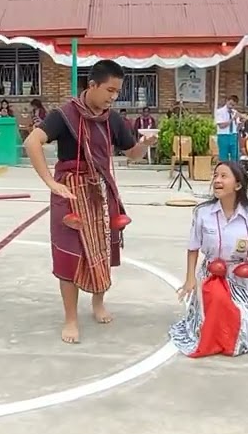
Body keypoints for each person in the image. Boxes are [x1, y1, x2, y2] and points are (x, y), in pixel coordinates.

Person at [23, 59, 153, 344]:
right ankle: (71, 318)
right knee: (70, 254)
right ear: (91, 85)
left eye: (117, 92)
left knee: (102, 250)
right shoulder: (64, 115)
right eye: (109, 90)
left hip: (101, 193)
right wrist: (50, 182)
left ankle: (97, 302)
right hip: (70, 193)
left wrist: (145, 145)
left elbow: (132, 154)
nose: (113, 97)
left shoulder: (113, 119)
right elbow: (32, 143)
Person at [170, 161, 248, 357]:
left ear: (238, 185)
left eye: (224, 176)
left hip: (239, 278)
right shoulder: (202, 213)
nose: (217, 180)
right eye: (215, 175)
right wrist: (190, 278)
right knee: (213, 315)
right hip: (210, 276)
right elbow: (193, 248)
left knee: (242, 327)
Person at [213, 95, 240, 163]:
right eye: (230, 104)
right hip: (223, 136)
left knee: (235, 156)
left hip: (234, 135)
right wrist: (232, 119)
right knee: (224, 157)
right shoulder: (219, 111)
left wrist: (242, 122)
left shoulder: (235, 112)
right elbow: (221, 126)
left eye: (233, 105)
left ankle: (234, 171)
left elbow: (238, 128)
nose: (231, 106)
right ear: (227, 101)